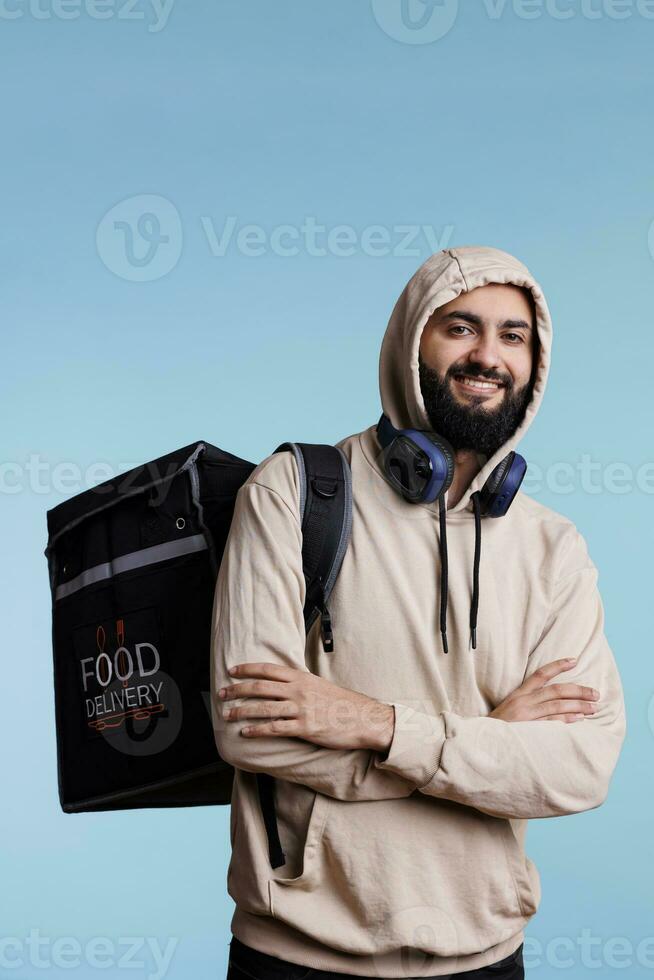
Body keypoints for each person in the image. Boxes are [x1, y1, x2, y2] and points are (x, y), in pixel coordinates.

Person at [210, 246, 626, 979]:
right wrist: (494, 746)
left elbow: (580, 768)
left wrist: (374, 724)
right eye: (460, 328)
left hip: (486, 959)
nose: (488, 356)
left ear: (534, 363)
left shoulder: (554, 549)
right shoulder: (292, 494)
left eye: (512, 335)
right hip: (297, 958)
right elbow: (250, 731)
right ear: (411, 342)